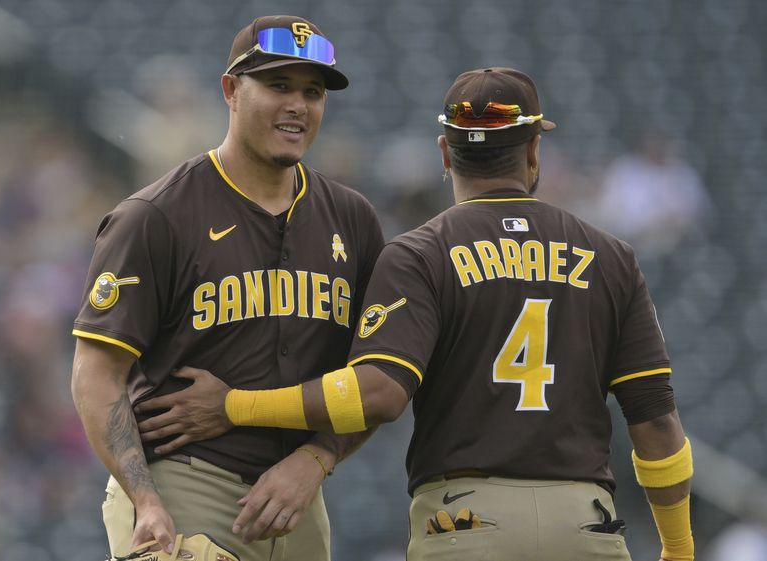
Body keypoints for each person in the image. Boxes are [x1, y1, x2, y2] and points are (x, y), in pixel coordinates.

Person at [137, 68, 695, 560]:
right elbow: (656, 423)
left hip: (466, 522)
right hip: (585, 524)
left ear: (446, 153)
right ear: (532, 152)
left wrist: (236, 405)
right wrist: (678, 549)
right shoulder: (613, 258)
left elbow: (378, 393)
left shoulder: (419, 252)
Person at [70, 14, 384, 561]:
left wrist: (318, 459)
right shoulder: (156, 216)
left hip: (300, 498)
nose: (298, 105)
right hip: (185, 485)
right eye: (278, 85)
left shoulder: (351, 219)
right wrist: (145, 499)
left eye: (313, 92)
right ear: (231, 90)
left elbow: (378, 381)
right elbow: (96, 375)